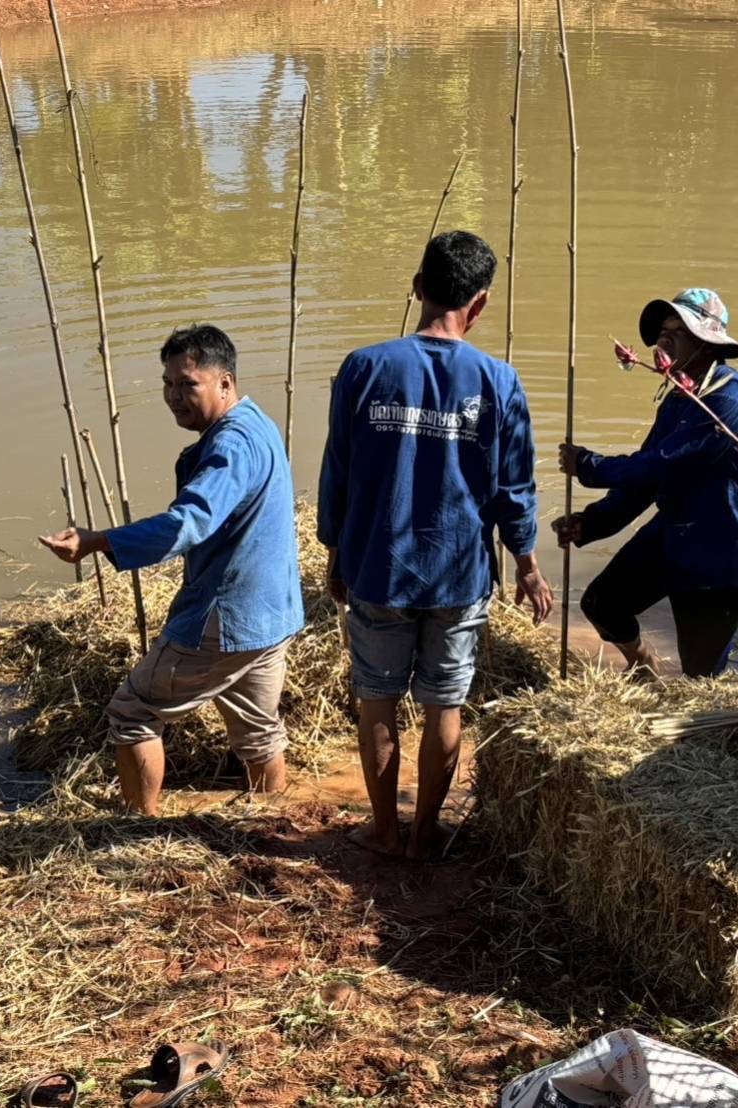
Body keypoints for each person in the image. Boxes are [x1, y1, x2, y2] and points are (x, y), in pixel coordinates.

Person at [317, 229, 554, 862]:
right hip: (457, 576)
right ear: (478, 305)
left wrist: (334, 553)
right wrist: (527, 564)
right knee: (445, 703)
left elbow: (337, 472)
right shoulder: (499, 382)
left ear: (418, 288)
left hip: (378, 570)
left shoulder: (363, 368)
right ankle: (425, 835)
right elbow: (514, 489)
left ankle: (384, 832)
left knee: (377, 700)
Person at [39, 325, 303, 815]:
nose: (174, 397)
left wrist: (100, 541)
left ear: (225, 383)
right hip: (273, 614)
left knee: (133, 711)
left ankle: (139, 825)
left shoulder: (230, 447)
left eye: (188, 385)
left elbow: (191, 522)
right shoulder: (256, 422)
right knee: (258, 728)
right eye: (167, 385)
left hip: (226, 619)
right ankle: (274, 817)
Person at [555, 288, 738, 679]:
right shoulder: (679, 400)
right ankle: (643, 664)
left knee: (701, 674)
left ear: (706, 342)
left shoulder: (731, 402)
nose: (662, 339)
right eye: (662, 332)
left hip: (720, 551)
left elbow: (660, 466)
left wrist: (589, 465)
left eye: (677, 330)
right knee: (603, 604)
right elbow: (645, 482)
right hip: (676, 532)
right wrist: (593, 522)